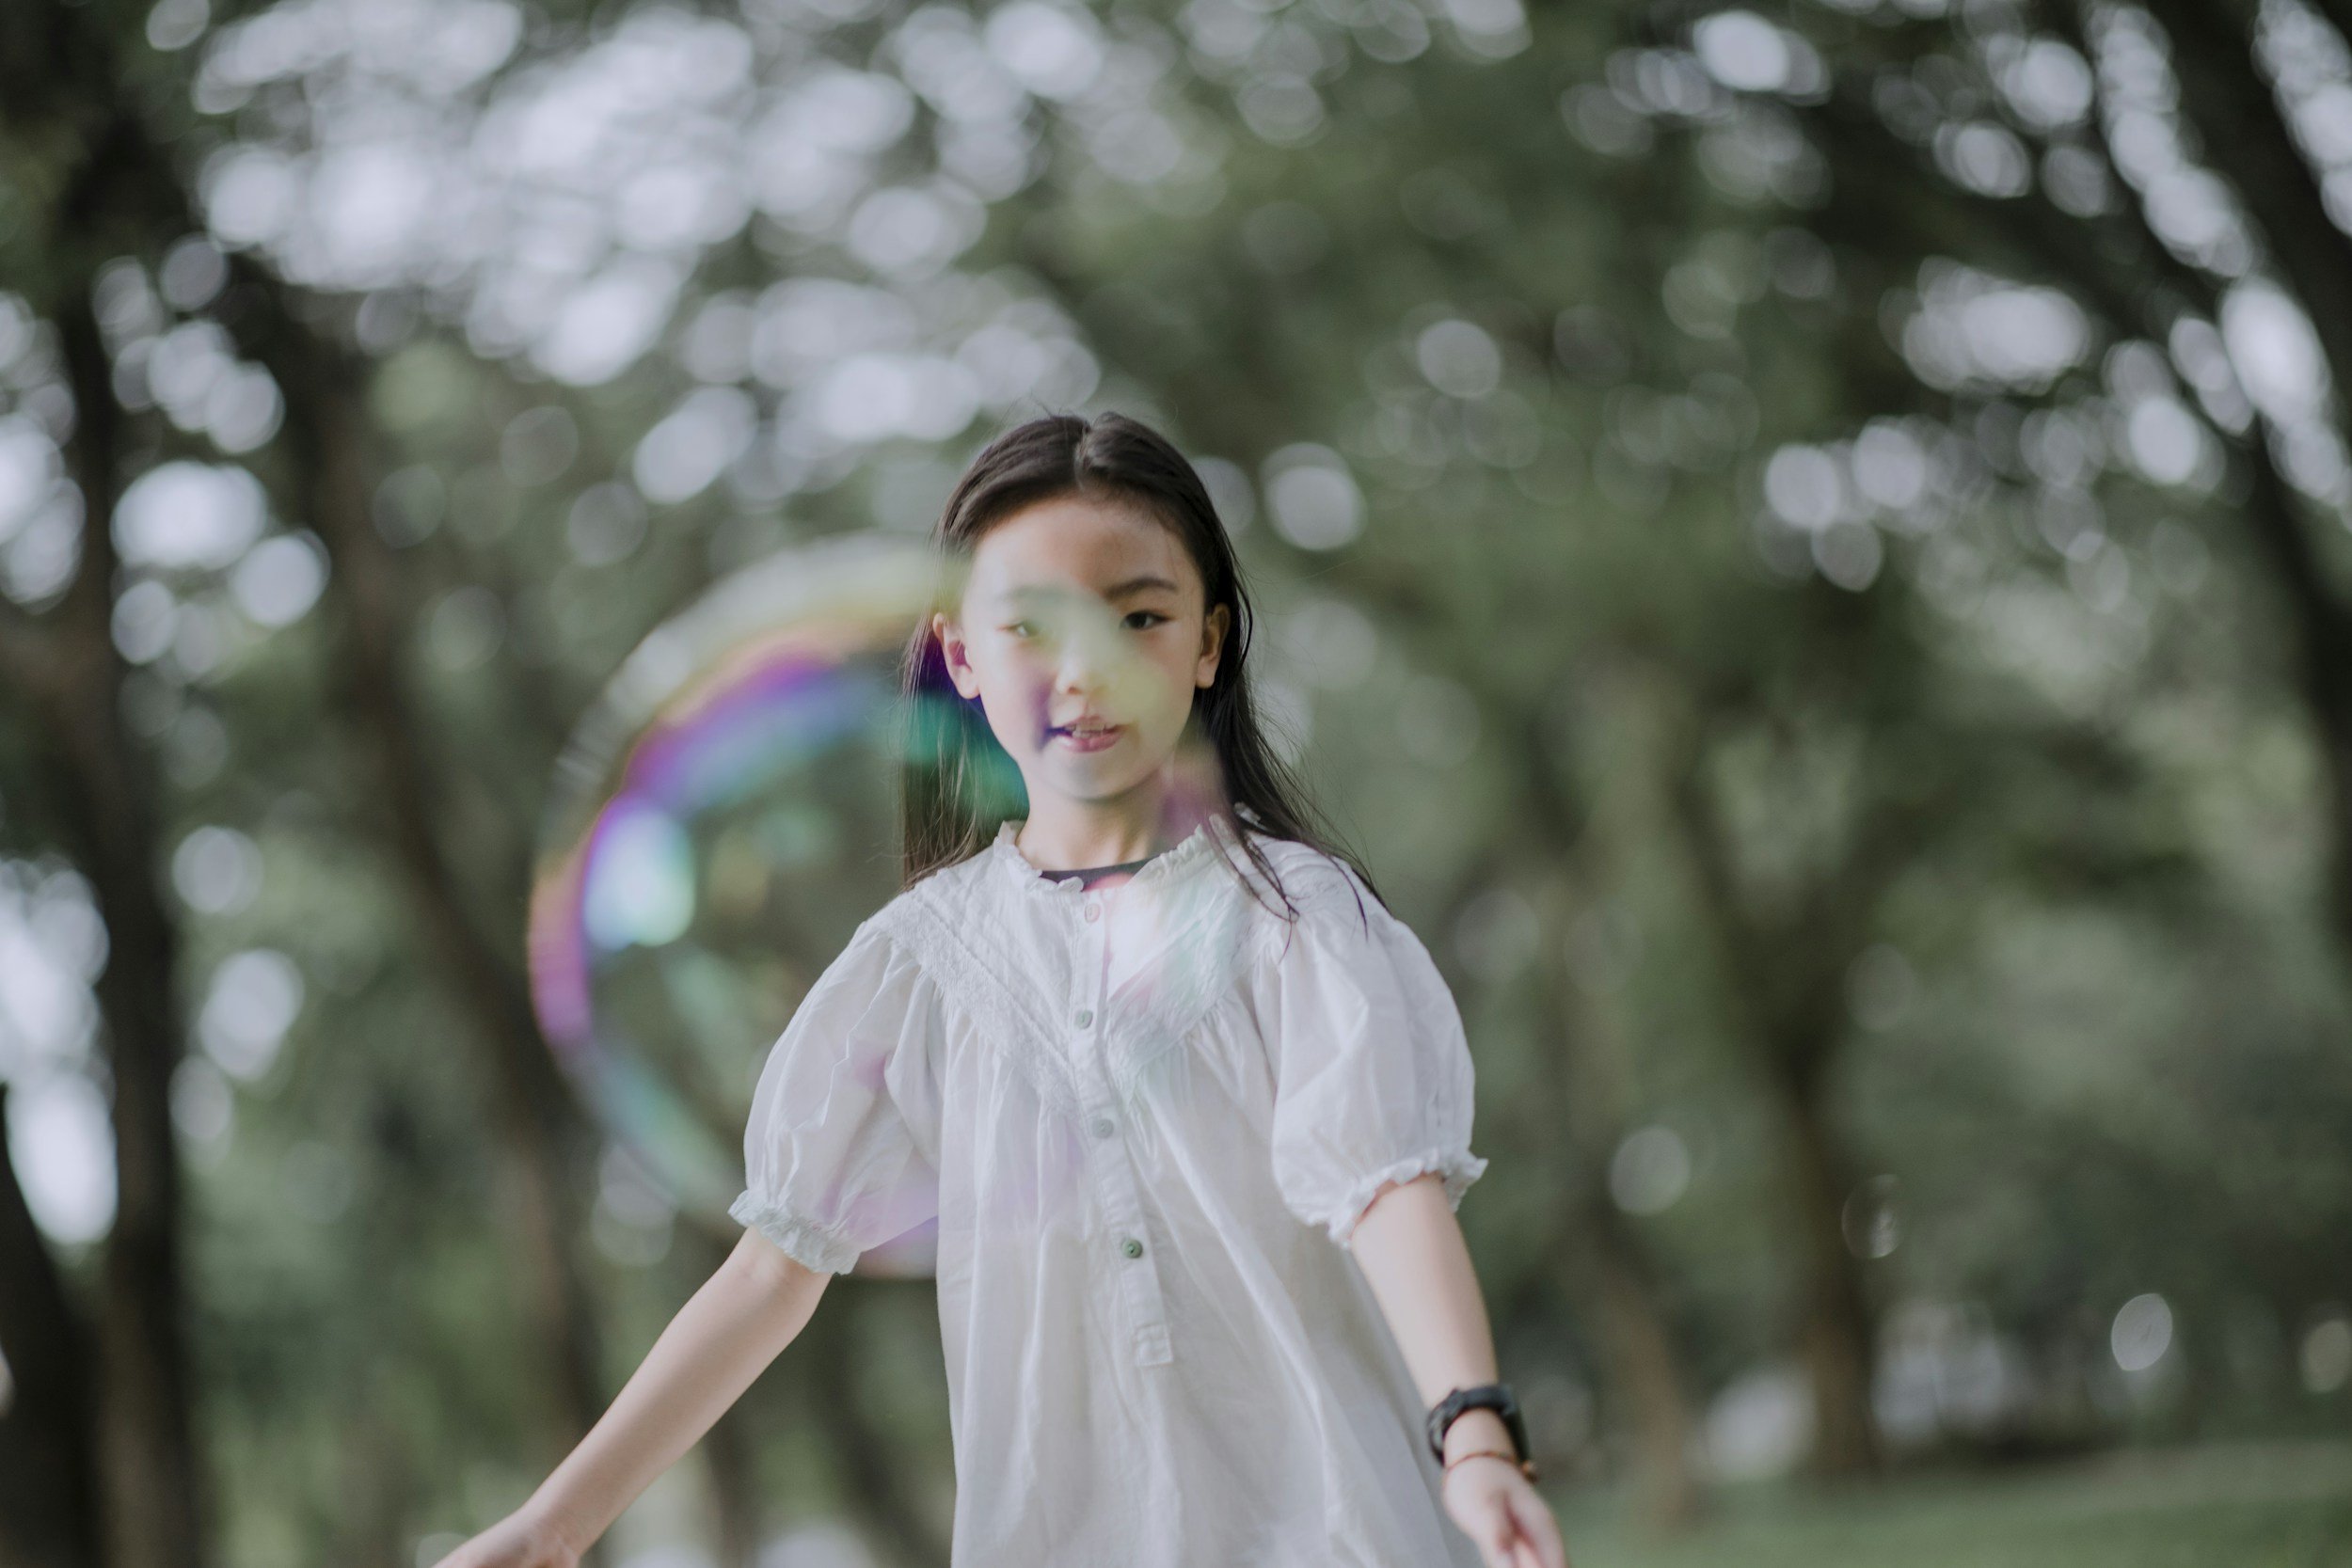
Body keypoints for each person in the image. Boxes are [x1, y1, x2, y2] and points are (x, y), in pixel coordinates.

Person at [437, 412, 1571, 1568]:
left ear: (1208, 642)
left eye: (1138, 615)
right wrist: (556, 1521)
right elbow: (773, 1271)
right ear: (962, 655)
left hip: (1338, 1527)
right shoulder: (916, 967)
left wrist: (1474, 1431)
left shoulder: (1294, 918)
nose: (1085, 670)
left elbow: (1387, 1189)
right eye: (1030, 626)